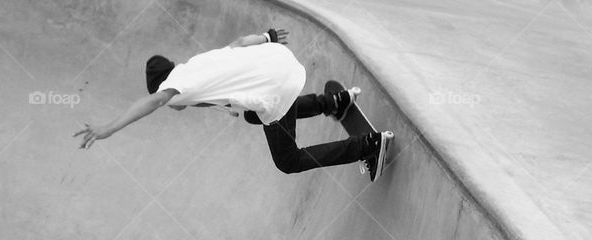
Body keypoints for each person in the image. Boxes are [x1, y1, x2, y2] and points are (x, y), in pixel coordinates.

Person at [74, 28, 396, 181]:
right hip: (279, 62)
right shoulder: (197, 64)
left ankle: (367, 146)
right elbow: (238, 43)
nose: (172, 106)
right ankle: (333, 102)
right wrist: (268, 37)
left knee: (288, 160)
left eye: (169, 100)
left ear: (165, 84)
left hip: (276, 87)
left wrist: (108, 128)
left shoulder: (177, 86)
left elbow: (155, 100)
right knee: (253, 116)